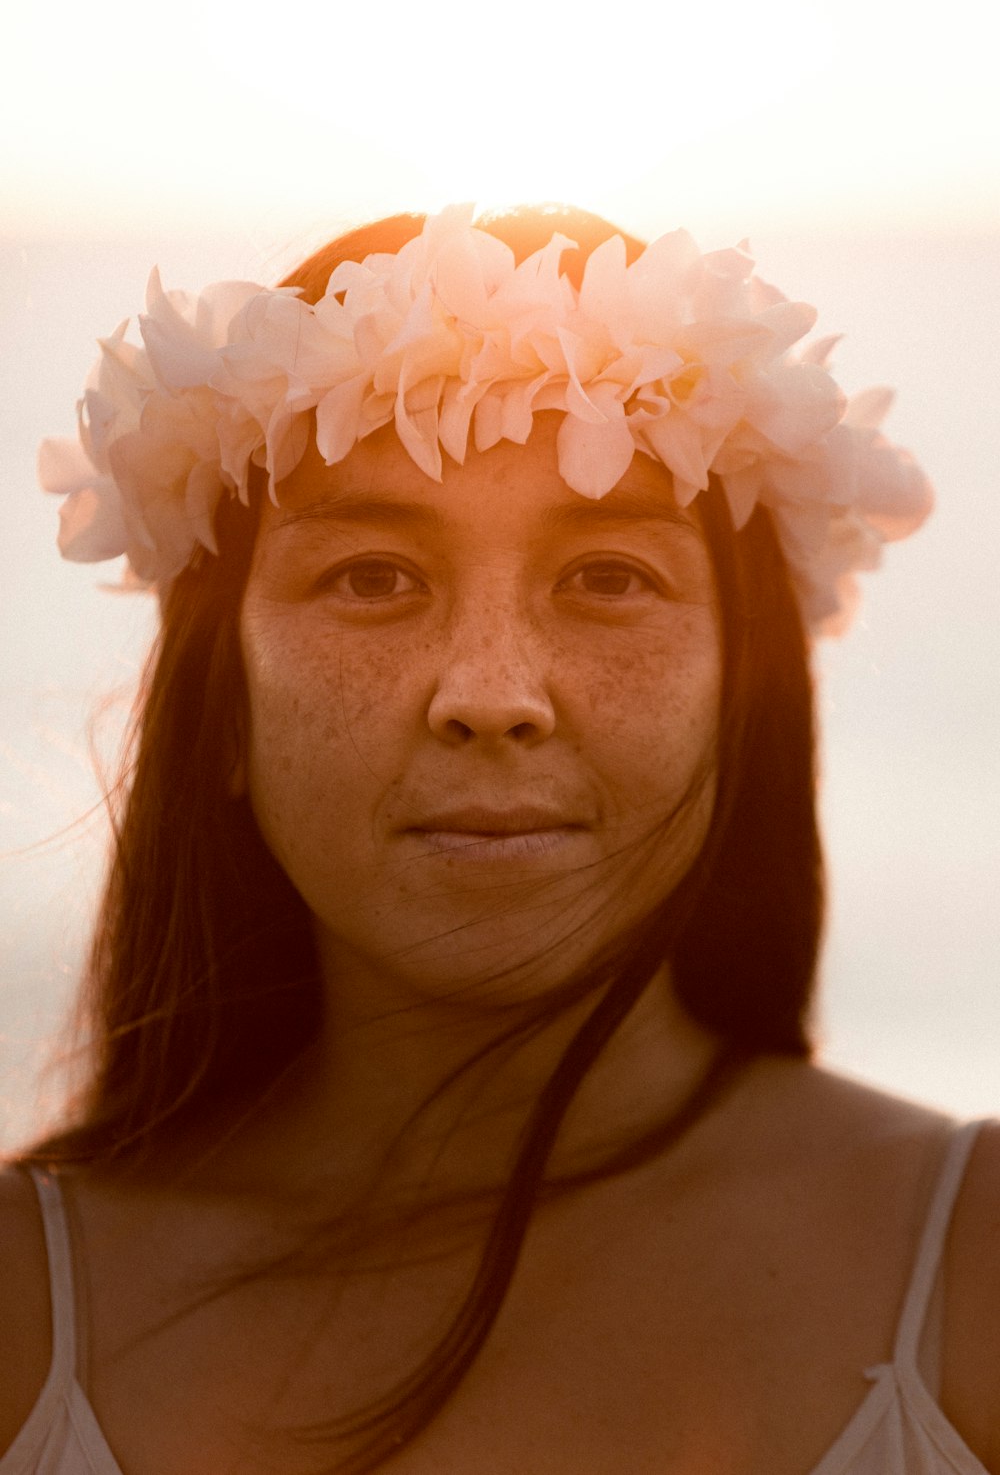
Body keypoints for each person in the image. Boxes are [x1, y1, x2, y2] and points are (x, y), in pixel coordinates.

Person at [1, 203, 997, 1475]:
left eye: (606, 578)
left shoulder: (971, 1268)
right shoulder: (27, 1309)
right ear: (224, 711)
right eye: (371, 577)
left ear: (741, 700)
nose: (490, 691)